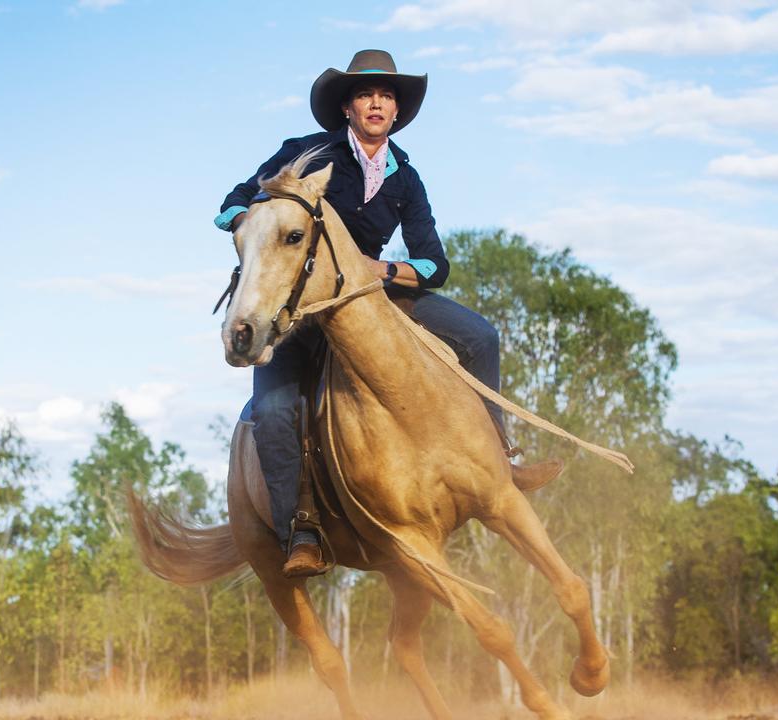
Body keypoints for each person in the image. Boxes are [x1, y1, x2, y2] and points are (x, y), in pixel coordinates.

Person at [215, 49, 561, 578]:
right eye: (365, 94)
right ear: (347, 108)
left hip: (373, 295)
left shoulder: (406, 176)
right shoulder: (306, 153)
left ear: (396, 111)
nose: (376, 103)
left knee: (480, 337)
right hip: (301, 305)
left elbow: (433, 263)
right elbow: (231, 206)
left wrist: (380, 270)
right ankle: (298, 528)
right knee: (275, 410)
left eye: (386, 96)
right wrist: (260, 231)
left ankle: (500, 462)